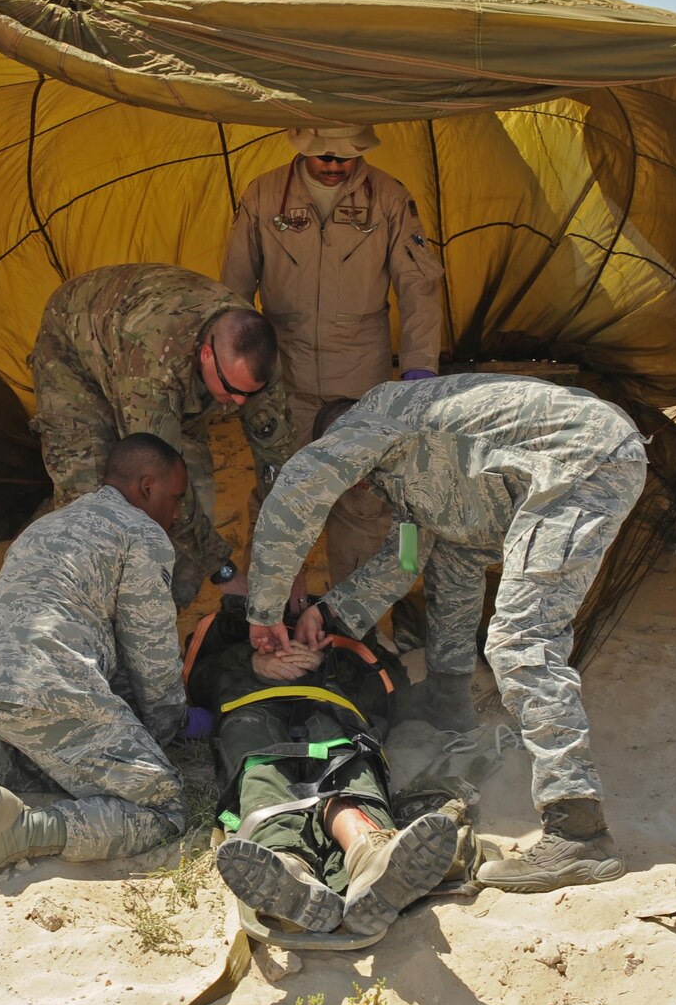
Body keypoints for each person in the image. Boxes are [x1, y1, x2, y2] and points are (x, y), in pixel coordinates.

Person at [246, 376, 646, 892]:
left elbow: (300, 482)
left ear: (344, 440)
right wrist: (327, 614)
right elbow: (406, 558)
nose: (361, 488)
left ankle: (579, 831)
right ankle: (448, 698)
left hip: (582, 463)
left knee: (521, 637)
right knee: (453, 556)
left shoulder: (376, 414)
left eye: (356, 475)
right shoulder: (417, 470)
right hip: (563, 466)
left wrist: (264, 609)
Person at [0, 435, 197, 902]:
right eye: (175, 498)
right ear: (147, 486)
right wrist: (165, 732)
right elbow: (150, 654)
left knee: (79, 756)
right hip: (50, 680)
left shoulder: (50, 525)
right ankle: (22, 829)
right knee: (164, 804)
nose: (175, 514)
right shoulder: (143, 534)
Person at [221, 125, 444, 596]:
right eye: (324, 156)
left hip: (360, 377)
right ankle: (266, 619)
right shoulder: (263, 196)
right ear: (302, 147)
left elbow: (418, 288)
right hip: (284, 374)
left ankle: (362, 622)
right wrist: (235, 370)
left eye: (345, 157)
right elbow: (235, 288)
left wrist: (419, 372)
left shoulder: (388, 197)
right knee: (278, 494)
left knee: (365, 501)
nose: (334, 165)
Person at [187, 602, 466, 938]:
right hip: (249, 706)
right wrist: (250, 662)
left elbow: (389, 681)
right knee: (261, 765)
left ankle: (370, 853)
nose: (288, 583)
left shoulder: (342, 617)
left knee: (347, 760)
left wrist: (327, 662)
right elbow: (193, 679)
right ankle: (286, 864)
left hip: (330, 704)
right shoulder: (225, 623)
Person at [28, 263, 296, 604]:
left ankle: (164, 610)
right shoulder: (152, 365)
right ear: (207, 354)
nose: (240, 402)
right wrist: (223, 570)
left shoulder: (254, 352)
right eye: (231, 389)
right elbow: (155, 478)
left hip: (162, 366)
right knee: (94, 503)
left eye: (249, 393)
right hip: (75, 354)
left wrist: (286, 565)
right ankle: (86, 611)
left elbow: (280, 459)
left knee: (196, 491)